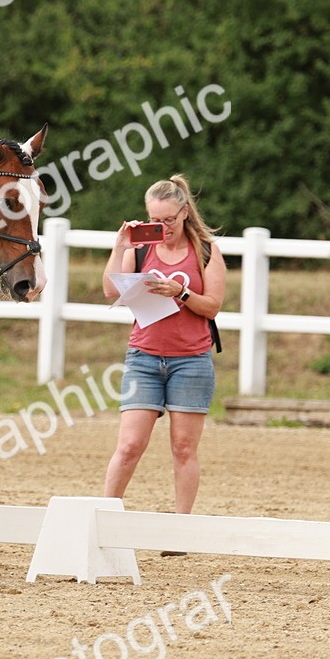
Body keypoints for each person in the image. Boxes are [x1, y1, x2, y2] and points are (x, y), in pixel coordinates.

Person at [101, 174, 226, 525]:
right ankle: (103, 517)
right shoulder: (142, 249)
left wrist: (180, 293)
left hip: (191, 360)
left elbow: (212, 306)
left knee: (184, 449)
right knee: (128, 446)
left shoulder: (205, 250)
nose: (163, 227)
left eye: (169, 220)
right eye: (155, 220)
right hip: (144, 357)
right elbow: (111, 290)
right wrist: (121, 247)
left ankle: (180, 527)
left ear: (184, 212)